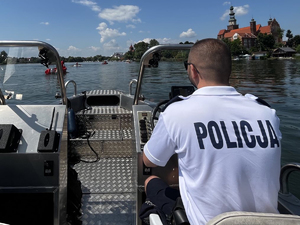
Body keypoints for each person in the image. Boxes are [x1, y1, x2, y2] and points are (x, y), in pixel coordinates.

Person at [141, 38, 282, 225]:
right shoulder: (267, 113)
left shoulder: (176, 112)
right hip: (267, 221)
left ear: (192, 70)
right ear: (229, 70)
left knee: (151, 180)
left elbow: (149, 160)